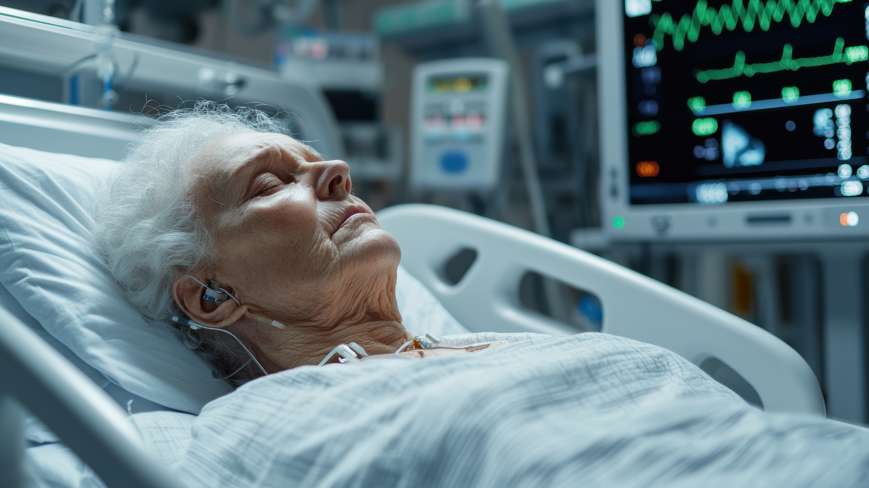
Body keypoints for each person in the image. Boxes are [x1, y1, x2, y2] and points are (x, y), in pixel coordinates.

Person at [93, 103, 413, 380]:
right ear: (210, 297)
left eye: (318, 161)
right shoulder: (292, 431)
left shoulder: (451, 352)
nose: (339, 170)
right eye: (269, 184)